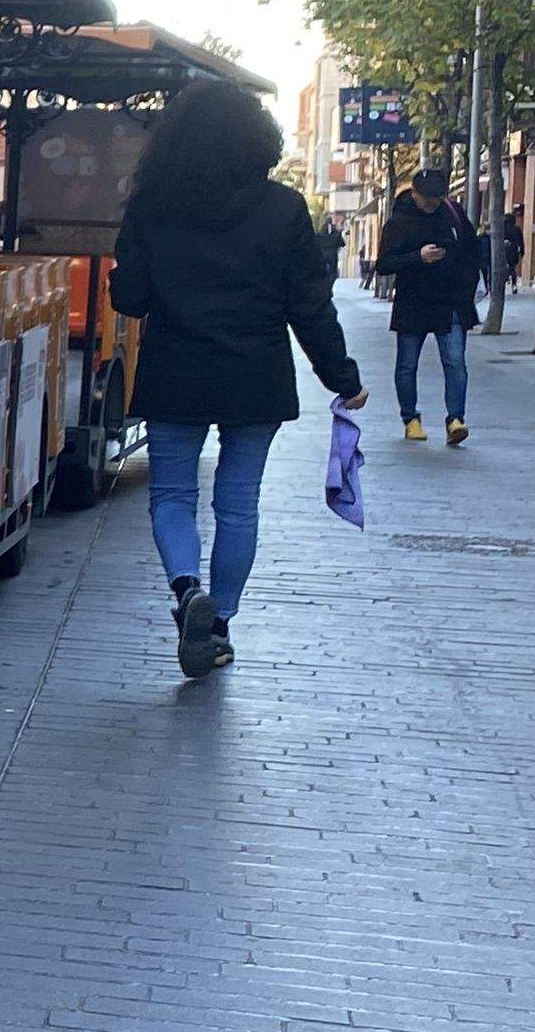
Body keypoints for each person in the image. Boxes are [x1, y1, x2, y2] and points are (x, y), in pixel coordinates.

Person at [108, 83, 364, 677]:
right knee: (238, 501)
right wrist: (341, 376)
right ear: (257, 139)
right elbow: (309, 304)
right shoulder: (283, 208)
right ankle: (218, 623)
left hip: (177, 368)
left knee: (172, 495)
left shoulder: (152, 206)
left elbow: (133, 299)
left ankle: (185, 591)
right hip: (256, 375)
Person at [372, 157, 484, 443]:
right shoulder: (399, 221)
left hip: (451, 302)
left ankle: (456, 420)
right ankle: (410, 419)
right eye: (428, 200)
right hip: (413, 303)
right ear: (415, 194)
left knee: (455, 362)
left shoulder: (453, 213)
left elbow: (472, 249)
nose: (433, 205)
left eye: (438, 199)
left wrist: (468, 286)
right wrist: (417, 258)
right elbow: (383, 264)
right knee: (407, 365)